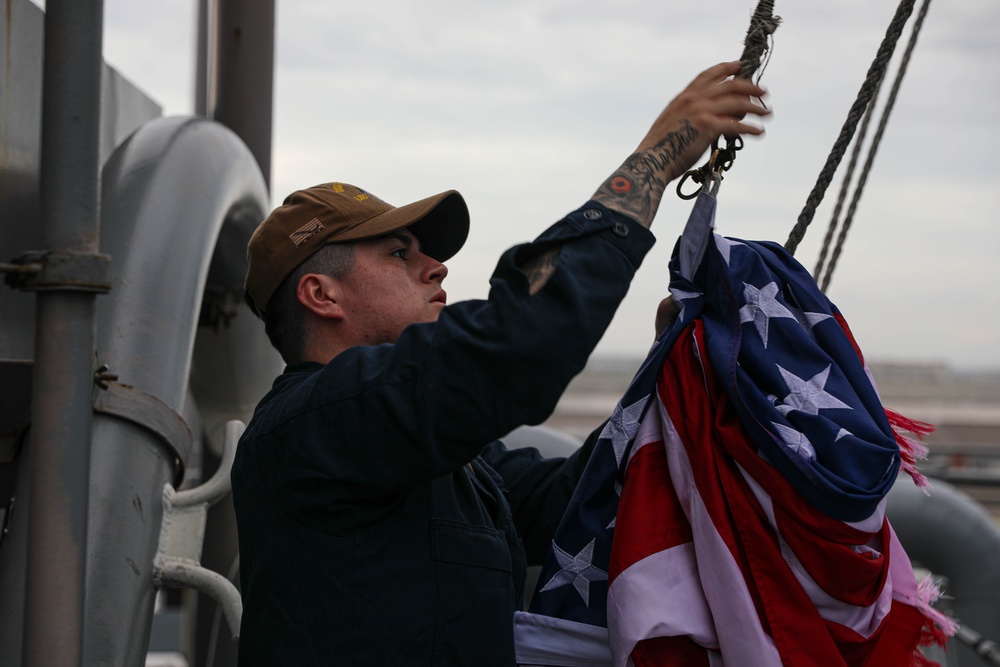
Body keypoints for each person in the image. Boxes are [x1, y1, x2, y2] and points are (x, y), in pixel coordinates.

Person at [232, 61, 769, 666]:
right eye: (398, 252)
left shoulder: (439, 455)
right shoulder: (315, 428)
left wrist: (669, 366)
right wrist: (653, 162)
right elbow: (516, 345)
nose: (435, 267)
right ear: (320, 295)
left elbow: (575, 498)